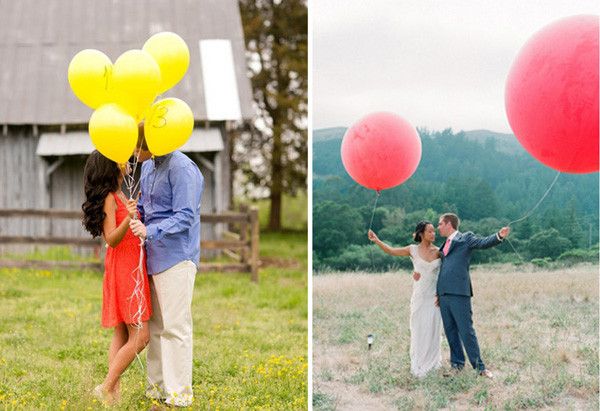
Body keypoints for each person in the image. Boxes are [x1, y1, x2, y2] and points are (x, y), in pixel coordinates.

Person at [128, 126, 204, 407]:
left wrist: (151, 231)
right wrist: (136, 214)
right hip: (152, 256)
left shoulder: (182, 167)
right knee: (157, 326)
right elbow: (151, 210)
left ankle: (179, 394)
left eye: (138, 147)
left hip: (176, 257)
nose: (135, 153)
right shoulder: (148, 167)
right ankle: (157, 389)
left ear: (153, 143)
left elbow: (185, 216)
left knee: (176, 327)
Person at [82, 150, 151, 404]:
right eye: (121, 157)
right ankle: (105, 387)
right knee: (142, 336)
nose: (127, 160)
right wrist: (130, 218)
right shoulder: (110, 198)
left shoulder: (121, 194)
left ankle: (113, 396)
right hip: (124, 268)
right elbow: (111, 238)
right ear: (112, 166)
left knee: (121, 331)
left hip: (130, 265)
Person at [435, 213, 510, 379]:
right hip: (444, 294)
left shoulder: (465, 238)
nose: (438, 227)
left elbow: (482, 243)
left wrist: (498, 236)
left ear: (448, 224)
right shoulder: (443, 245)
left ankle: (480, 368)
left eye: (440, 224)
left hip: (459, 293)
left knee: (466, 330)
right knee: (450, 331)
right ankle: (457, 365)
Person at [368, 221, 442, 378]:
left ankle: (433, 363)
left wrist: (442, 293)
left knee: (434, 328)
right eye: (429, 231)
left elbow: (446, 272)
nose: (433, 234)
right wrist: (376, 240)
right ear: (421, 234)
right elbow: (391, 250)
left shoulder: (440, 251)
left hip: (435, 296)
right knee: (419, 328)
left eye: (434, 231)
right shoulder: (412, 250)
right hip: (420, 295)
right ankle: (419, 362)